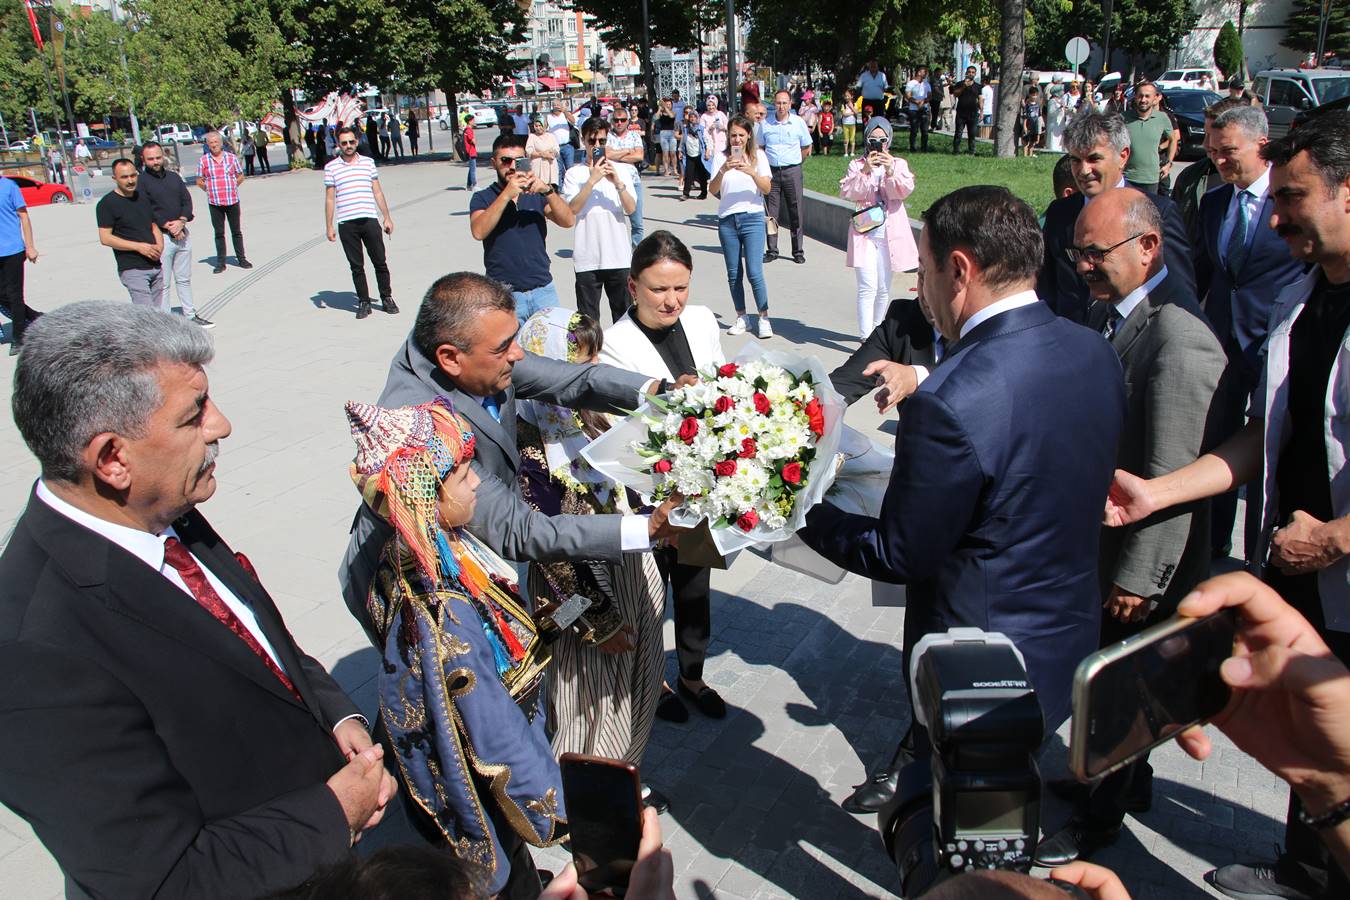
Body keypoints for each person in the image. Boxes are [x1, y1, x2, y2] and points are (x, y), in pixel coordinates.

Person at [0, 302, 398, 898]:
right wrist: (333, 811)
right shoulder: (33, 652)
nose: (222, 426)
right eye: (193, 416)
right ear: (112, 458)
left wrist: (335, 712)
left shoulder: (162, 509)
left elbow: (259, 642)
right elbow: (160, 879)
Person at [1102, 113, 1350, 900]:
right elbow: (1262, 434)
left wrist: (1340, 538)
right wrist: (1158, 490)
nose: (1273, 219)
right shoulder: (1310, 295)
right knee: (1317, 737)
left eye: (1294, 198)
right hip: (1305, 575)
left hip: (1331, 562)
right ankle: (1308, 872)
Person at [799, 184, 1126, 737]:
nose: (920, 287)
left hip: (978, 669)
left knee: (949, 817)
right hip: (1066, 640)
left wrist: (798, 509)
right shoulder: (1094, 350)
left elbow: (898, 554)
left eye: (923, 271)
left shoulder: (946, 401)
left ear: (959, 269)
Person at [1033, 188, 1229, 867]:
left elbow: (1169, 472)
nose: (1082, 266)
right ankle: (1125, 783)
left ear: (1148, 247)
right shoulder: (1114, 315)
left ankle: (1098, 820)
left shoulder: (1179, 337)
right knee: (1117, 685)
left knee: (1119, 691)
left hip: (1145, 563)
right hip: (1110, 544)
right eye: (1076, 252)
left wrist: (1139, 579)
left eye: (1096, 252)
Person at [338, 272, 686, 642]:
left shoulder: (476, 348)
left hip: (493, 555)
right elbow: (521, 531)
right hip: (423, 591)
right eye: (504, 348)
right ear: (450, 358)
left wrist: (662, 390)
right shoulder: (420, 424)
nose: (518, 355)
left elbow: (569, 380)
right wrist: (646, 530)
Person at [345, 396, 563, 897]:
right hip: (478, 776)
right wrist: (556, 805)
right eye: (464, 475)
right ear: (426, 497)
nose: (477, 482)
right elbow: (492, 730)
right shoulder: (445, 613)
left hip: (458, 756)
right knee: (496, 860)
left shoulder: (415, 551)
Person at [515, 310, 667, 797]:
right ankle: (580, 797)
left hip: (629, 571)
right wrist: (597, 622)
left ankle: (623, 773)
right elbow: (551, 553)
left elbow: (632, 482)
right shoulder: (528, 446)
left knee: (634, 684)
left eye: (595, 358)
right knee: (586, 693)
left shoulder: (595, 415)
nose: (591, 371)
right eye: (580, 362)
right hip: (579, 592)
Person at [599, 232, 729, 725]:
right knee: (649, 595)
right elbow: (623, 429)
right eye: (658, 289)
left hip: (698, 488)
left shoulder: (700, 321)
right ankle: (653, 680)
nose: (672, 300)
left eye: (681, 287)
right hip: (646, 496)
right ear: (633, 287)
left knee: (695, 588)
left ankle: (693, 675)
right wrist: (675, 400)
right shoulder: (615, 344)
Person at [1197, 102, 1308, 560]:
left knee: (1269, 451)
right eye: (1211, 151)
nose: (1218, 161)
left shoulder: (1288, 205)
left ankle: (1260, 550)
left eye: (1228, 151)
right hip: (1223, 346)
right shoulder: (1213, 202)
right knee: (1220, 445)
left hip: (1275, 344)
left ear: (1262, 145)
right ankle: (1215, 543)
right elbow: (1205, 275)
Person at [1038, 111, 1196, 324]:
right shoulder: (1060, 213)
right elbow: (1047, 286)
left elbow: (1179, 290)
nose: (1084, 171)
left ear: (1123, 156)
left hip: (1131, 343)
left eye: (1094, 159)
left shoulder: (1158, 212)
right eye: (1076, 160)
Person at [469, 134, 575, 324]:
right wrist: (506, 195)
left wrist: (548, 191)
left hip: (543, 290)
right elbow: (478, 231)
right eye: (505, 161)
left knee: (552, 352)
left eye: (518, 161)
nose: (511, 166)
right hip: (504, 295)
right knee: (509, 353)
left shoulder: (537, 195)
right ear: (494, 163)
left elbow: (568, 221)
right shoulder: (483, 197)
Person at [840, 117, 919, 338]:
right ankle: (866, 336)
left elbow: (901, 192)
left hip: (890, 233)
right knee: (867, 286)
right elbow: (851, 193)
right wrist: (866, 170)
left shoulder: (898, 164)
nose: (878, 145)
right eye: (873, 140)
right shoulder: (856, 165)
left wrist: (890, 170)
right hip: (865, 232)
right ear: (866, 140)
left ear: (889, 141)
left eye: (882, 140)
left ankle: (877, 330)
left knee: (883, 287)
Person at [565, 117, 639, 325]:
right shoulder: (574, 174)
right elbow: (572, 209)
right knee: (588, 324)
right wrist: (591, 181)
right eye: (592, 141)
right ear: (584, 141)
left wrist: (617, 182)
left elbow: (631, 208)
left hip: (618, 257)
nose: (597, 146)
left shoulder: (621, 170)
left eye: (602, 141)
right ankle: (592, 358)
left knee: (625, 320)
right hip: (587, 258)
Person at [709, 114, 773, 338]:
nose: (736, 140)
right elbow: (713, 189)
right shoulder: (720, 158)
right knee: (734, 272)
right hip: (728, 219)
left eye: (741, 135)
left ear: (748, 137)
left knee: (754, 271)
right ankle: (741, 316)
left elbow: (766, 188)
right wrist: (723, 170)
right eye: (733, 135)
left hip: (752, 217)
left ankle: (763, 317)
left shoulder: (759, 157)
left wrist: (751, 171)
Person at [325, 126, 398, 321]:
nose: (348, 146)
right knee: (356, 266)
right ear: (338, 144)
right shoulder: (331, 168)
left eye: (351, 142)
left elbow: (378, 192)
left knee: (380, 261)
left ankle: (386, 297)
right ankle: (364, 301)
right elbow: (330, 198)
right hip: (347, 223)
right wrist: (329, 225)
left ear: (356, 141)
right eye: (344, 143)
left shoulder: (368, 163)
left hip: (369, 220)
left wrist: (387, 217)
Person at [139, 141, 211, 328]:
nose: (155, 161)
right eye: (151, 159)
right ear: (143, 160)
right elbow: (146, 208)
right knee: (163, 283)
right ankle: (165, 321)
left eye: (158, 157)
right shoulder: (142, 182)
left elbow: (186, 201)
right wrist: (168, 226)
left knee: (184, 279)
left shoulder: (173, 178)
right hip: (161, 238)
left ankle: (190, 315)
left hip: (182, 233)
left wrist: (181, 221)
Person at [96, 159, 165, 307]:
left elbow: (153, 225)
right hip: (133, 268)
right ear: (115, 178)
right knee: (146, 316)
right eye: (124, 177)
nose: (130, 180)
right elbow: (105, 238)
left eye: (133, 175)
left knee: (158, 315)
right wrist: (139, 247)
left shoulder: (143, 197)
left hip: (155, 264)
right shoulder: (107, 204)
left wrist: (159, 246)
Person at [759, 89, 812, 265]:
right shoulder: (766, 124)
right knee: (771, 214)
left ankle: (798, 251)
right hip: (772, 173)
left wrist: (796, 163)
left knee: (796, 212)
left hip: (792, 171)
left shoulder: (798, 123)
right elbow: (760, 148)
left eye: (784, 103)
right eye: (778, 103)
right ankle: (772, 249)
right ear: (774, 104)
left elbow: (806, 147)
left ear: (790, 104)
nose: (781, 106)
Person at [196, 130, 250, 273]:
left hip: (232, 200)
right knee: (219, 233)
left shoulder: (231, 158)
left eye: (216, 142)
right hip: (215, 202)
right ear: (208, 145)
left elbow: (240, 176)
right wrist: (209, 189)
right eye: (211, 143)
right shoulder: (204, 161)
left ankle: (241, 258)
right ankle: (221, 262)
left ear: (221, 143)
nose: (214, 145)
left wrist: (232, 186)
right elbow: (199, 181)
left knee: (236, 231)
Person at [0, 171, 37, 355]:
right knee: (2, 296)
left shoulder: (9, 187)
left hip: (13, 250)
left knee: (14, 295)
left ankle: (18, 337)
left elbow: (24, 216)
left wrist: (30, 246)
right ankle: (35, 317)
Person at [1122, 83, 1172, 194]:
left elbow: (1173, 139)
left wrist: (1169, 164)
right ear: (1135, 97)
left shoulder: (1162, 118)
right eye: (1140, 96)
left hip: (1151, 179)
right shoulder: (1123, 118)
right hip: (1127, 177)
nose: (1143, 99)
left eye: (1147, 96)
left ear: (1155, 98)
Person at [606, 108, 646, 247]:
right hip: (611, 182)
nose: (619, 123)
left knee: (637, 222)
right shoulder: (607, 136)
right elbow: (606, 155)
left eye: (622, 120)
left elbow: (639, 156)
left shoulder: (635, 136)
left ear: (627, 121)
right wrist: (628, 151)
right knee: (613, 221)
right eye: (616, 120)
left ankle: (637, 255)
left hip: (633, 181)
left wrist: (616, 155)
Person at [679, 106, 708, 201]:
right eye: (691, 117)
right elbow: (683, 140)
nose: (692, 119)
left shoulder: (701, 129)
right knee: (688, 174)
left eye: (694, 117)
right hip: (689, 154)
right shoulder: (686, 129)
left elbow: (707, 140)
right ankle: (685, 194)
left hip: (700, 154)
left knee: (702, 175)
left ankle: (703, 193)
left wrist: (707, 151)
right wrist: (680, 151)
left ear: (697, 118)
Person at [952, 66, 981, 155]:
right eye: (969, 72)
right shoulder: (960, 84)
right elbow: (956, 94)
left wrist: (982, 110)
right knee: (958, 133)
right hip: (961, 113)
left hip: (973, 113)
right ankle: (956, 151)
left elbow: (980, 98)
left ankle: (971, 152)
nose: (971, 74)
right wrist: (964, 86)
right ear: (966, 73)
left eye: (973, 72)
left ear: (975, 74)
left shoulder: (978, 86)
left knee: (972, 134)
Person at [526, 117, 561, 188]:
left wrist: (551, 154)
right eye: (536, 126)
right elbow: (529, 151)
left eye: (540, 125)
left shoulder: (551, 136)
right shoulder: (532, 136)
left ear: (544, 125)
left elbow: (556, 149)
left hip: (550, 166)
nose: (538, 128)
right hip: (538, 167)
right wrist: (542, 154)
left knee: (552, 189)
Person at [904, 66, 932, 153]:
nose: (926, 74)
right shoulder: (911, 83)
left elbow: (930, 96)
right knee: (914, 130)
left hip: (924, 109)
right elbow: (908, 96)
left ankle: (924, 148)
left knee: (925, 130)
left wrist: (923, 101)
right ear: (919, 72)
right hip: (913, 110)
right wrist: (916, 102)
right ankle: (913, 148)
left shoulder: (926, 84)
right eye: (925, 72)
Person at [545, 100, 576, 170]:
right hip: (555, 148)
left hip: (567, 146)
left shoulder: (564, 115)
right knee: (559, 170)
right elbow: (544, 129)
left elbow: (573, 121)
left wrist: (564, 111)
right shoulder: (548, 117)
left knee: (570, 169)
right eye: (554, 105)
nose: (556, 106)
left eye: (557, 105)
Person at [699, 94, 729, 160]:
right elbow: (702, 132)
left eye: (713, 105)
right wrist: (710, 129)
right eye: (709, 105)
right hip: (711, 145)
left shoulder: (721, 114)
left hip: (722, 143)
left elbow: (729, 127)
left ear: (716, 105)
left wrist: (723, 127)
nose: (711, 107)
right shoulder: (704, 116)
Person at [1022, 86, 1043, 156]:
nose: (1034, 97)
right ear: (1030, 95)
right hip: (1028, 125)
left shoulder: (1038, 105)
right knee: (1026, 141)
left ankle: (1030, 155)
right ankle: (1025, 156)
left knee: (1032, 142)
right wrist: (1024, 126)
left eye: (1036, 95)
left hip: (1035, 126)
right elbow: (1025, 116)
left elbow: (1039, 116)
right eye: (1033, 95)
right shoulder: (1027, 106)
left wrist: (1039, 130)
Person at [841, 89, 859, 156]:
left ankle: (852, 152)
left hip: (852, 124)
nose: (846, 97)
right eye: (845, 96)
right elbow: (844, 114)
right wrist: (852, 113)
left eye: (848, 96)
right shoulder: (844, 105)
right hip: (845, 123)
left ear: (852, 96)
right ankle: (846, 152)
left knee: (852, 138)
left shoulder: (854, 104)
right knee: (846, 138)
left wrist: (851, 107)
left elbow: (856, 112)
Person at [464, 113, 479, 191]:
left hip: (469, 151)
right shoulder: (469, 130)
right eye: (473, 120)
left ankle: (468, 185)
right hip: (471, 151)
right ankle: (474, 184)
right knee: (473, 169)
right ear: (469, 121)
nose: (474, 121)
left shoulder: (466, 129)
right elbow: (473, 141)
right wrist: (475, 140)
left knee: (471, 169)